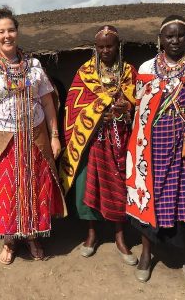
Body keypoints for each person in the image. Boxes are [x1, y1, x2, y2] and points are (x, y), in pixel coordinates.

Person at [125, 15, 185, 290]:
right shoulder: (146, 68)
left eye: (180, 35)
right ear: (161, 39)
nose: (175, 41)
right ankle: (145, 255)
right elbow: (140, 106)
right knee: (148, 198)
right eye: (170, 36)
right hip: (153, 148)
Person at [0, 7, 66, 265]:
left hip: (33, 139)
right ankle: (9, 241)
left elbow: (47, 103)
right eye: (2, 31)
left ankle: (33, 236)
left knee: (33, 188)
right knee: (5, 190)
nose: (7, 35)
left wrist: (54, 136)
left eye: (11, 30)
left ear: (17, 32)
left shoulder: (33, 66)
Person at [59, 25, 137, 265]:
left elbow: (141, 103)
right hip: (92, 141)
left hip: (120, 141)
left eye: (110, 45)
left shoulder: (128, 72)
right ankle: (91, 234)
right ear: (95, 48)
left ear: (118, 46)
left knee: (119, 186)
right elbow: (71, 107)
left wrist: (127, 109)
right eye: (101, 46)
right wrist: (94, 114)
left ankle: (120, 236)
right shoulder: (85, 72)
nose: (105, 50)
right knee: (88, 186)